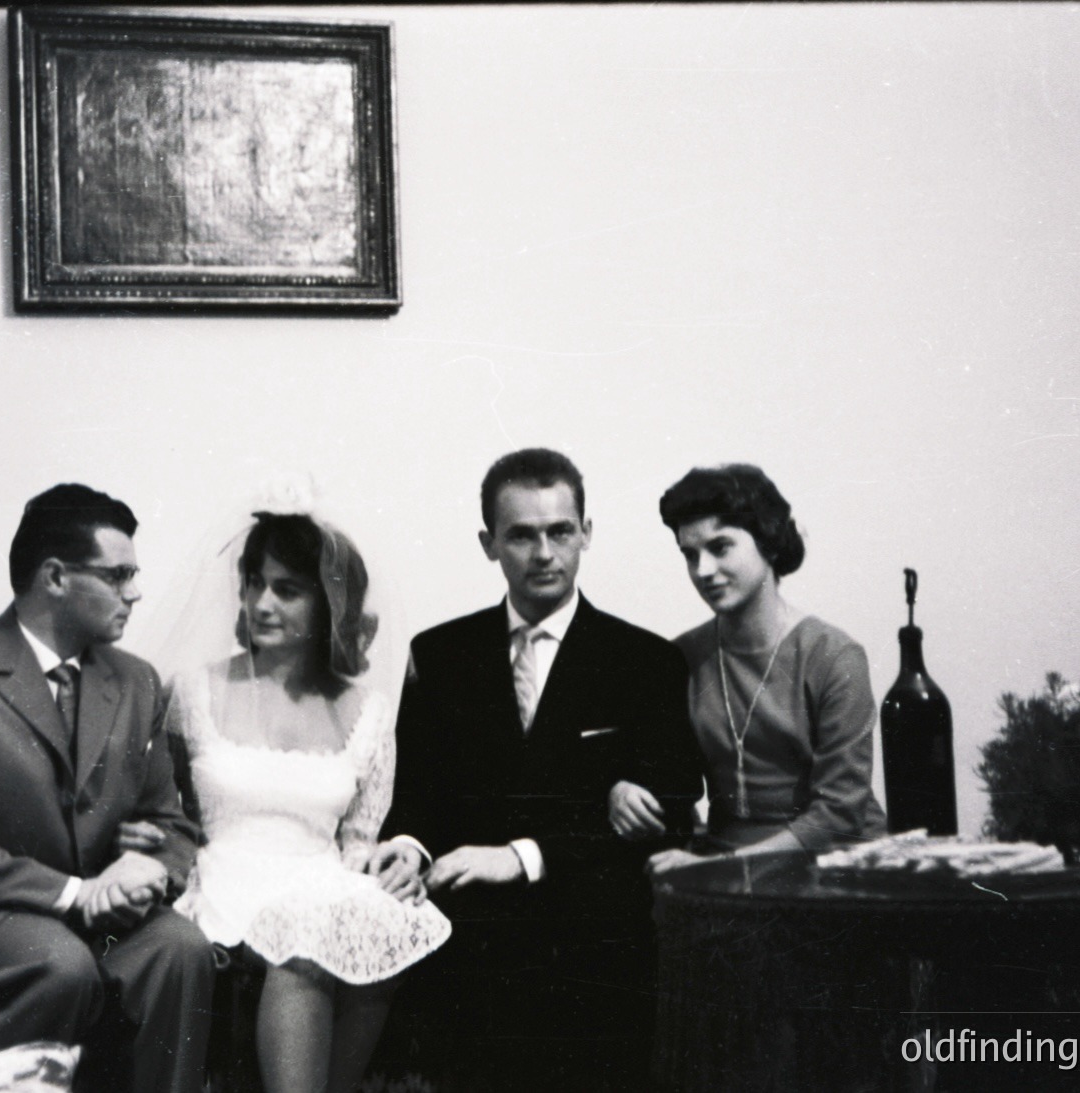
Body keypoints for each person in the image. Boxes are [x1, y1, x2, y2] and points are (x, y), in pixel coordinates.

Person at [371, 448, 704, 1092]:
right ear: (489, 544)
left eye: (560, 531)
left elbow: (668, 807)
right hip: (469, 938)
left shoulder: (645, 660)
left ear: (586, 534)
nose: (544, 553)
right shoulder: (440, 654)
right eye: (521, 535)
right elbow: (417, 792)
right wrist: (409, 846)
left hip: (593, 944)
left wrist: (522, 856)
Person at [0, 484, 214, 1093]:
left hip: (96, 918)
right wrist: (75, 893)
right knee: (59, 964)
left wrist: (147, 868)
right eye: (118, 576)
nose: (135, 593)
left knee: (179, 948)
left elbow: (171, 824)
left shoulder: (136, 682)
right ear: (56, 577)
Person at [161, 510, 450, 1093]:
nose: (262, 604)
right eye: (254, 584)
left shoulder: (368, 711)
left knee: (376, 923)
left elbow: (359, 839)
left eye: (287, 590)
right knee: (302, 947)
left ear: (329, 604)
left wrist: (387, 865)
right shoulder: (194, 690)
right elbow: (166, 812)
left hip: (318, 879)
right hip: (225, 880)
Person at [610, 463, 886, 865]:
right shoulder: (681, 656)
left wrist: (720, 869)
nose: (703, 570)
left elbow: (838, 815)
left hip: (833, 866)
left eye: (720, 547)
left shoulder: (833, 656)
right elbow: (662, 774)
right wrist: (620, 789)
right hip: (720, 859)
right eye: (690, 555)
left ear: (769, 541)